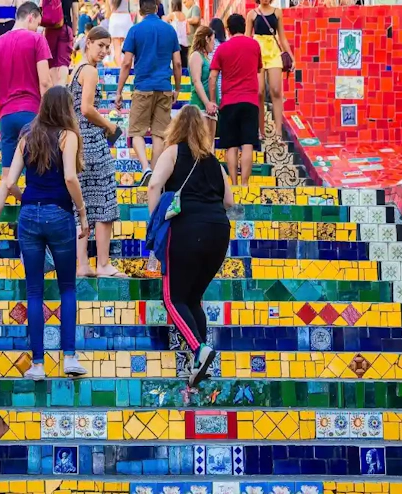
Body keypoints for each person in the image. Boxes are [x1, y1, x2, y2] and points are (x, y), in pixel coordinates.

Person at [2, 86, 90, 380]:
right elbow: (69, 177)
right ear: (65, 108)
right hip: (59, 214)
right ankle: (69, 359)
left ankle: (38, 365)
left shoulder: (28, 135)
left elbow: (10, 182)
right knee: (67, 287)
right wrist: (82, 212)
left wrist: (25, 198)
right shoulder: (68, 136)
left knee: (35, 291)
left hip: (29, 215)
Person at [146, 105, 234, 388]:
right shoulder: (215, 163)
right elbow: (230, 203)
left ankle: (199, 350)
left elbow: (153, 185)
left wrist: (155, 221)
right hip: (219, 232)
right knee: (193, 297)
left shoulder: (173, 152)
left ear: (177, 128)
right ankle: (202, 364)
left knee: (172, 299)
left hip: (186, 230)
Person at [0, 2, 52, 259]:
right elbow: (44, 81)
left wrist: (2, 114)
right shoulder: (36, 40)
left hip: (7, 115)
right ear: (31, 17)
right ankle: (35, 241)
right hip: (32, 115)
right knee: (36, 174)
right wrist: (48, 117)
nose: (39, 27)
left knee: (8, 180)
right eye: (38, 22)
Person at [69, 27, 124, 278]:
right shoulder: (90, 71)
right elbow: (88, 108)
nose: (104, 51)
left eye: (107, 47)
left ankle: (83, 265)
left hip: (79, 146)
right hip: (93, 143)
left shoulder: (75, 71)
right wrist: (110, 125)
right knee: (105, 204)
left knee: (84, 206)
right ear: (88, 43)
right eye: (100, 45)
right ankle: (103, 264)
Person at [115, 0, 181, 186]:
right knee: (159, 134)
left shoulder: (135, 30)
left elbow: (127, 63)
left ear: (140, 8)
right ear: (156, 7)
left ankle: (146, 168)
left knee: (136, 131)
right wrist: (177, 87)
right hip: (164, 87)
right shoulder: (169, 30)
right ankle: (156, 175)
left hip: (143, 87)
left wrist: (119, 91)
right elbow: (177, 63)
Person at [208, 13, 262, 186]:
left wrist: (211, 100)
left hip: (229, 102)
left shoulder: (223, 48)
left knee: (231, 145)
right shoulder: (255, 45)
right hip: (250, 101)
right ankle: (245, 184)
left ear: (228, 30)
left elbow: (212, 76)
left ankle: (234, 183)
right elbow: (259, 71)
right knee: (247, 143)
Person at [247, 0, 294, 141]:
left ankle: (278, 131)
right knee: (259, 91)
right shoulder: (252, 14)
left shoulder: (277, 12)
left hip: (273, 52)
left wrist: (291, 56)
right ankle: (260, 130)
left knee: (275, 90)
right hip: (257, 52)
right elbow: (247, 38)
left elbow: (282, 37)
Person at [188, 26, 219, 139]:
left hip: (211, 106)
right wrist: (207, 103)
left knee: (210, 145)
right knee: (201, 143)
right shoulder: (196, 56)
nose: (214, 45)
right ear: (207, 39)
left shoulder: (207, 58)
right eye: (213, 40)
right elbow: (196, 81)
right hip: (201, 106)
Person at [45, 0, 79, 85]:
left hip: (50, 28)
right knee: (63, 61)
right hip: (66, 28)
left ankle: (54, 87)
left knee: (52, 61)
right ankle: (62, 86)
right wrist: (74, 33)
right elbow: (75, 15)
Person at [107, 0, 134, 66]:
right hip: (125, 17)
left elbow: (109, 9)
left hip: (115, 18)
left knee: (117, 47)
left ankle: (120, 67)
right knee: (130, 45)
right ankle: (131, 66)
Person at [164, 0, 189, 69]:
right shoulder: (184, 15)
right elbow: (188, 31)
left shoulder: (172, 15)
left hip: (175, 43)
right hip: (184, 43)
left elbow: (163, 24)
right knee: (184, 64)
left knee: (176, 64)